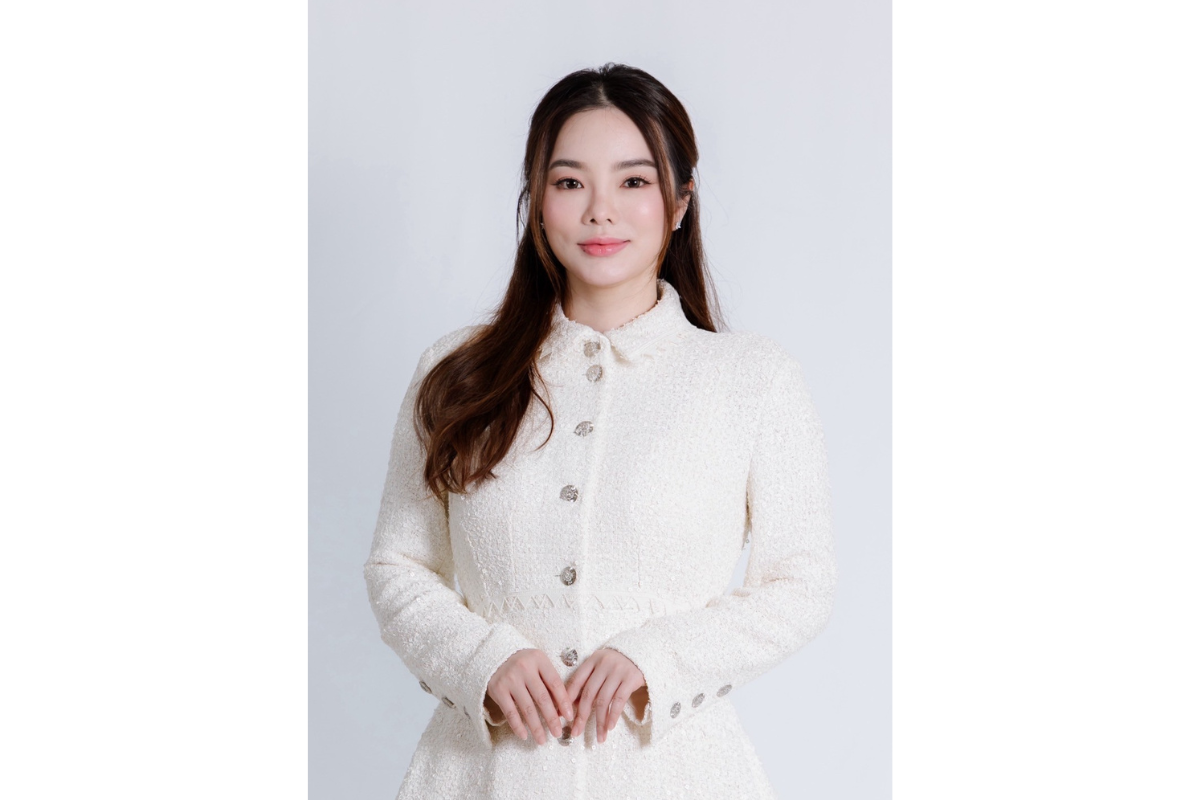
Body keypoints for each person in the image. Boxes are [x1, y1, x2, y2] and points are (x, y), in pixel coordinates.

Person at [363, 62, 837, 800]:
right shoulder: (456, 373)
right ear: (536, 200)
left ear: (680, 202)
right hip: (482, 778)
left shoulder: (752, 380)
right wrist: (480, 659)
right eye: (569, 182)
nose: (600, 212)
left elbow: (799, 583)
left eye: (634, 181)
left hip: (678, 777)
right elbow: (398, 565)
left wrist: (660, 657)